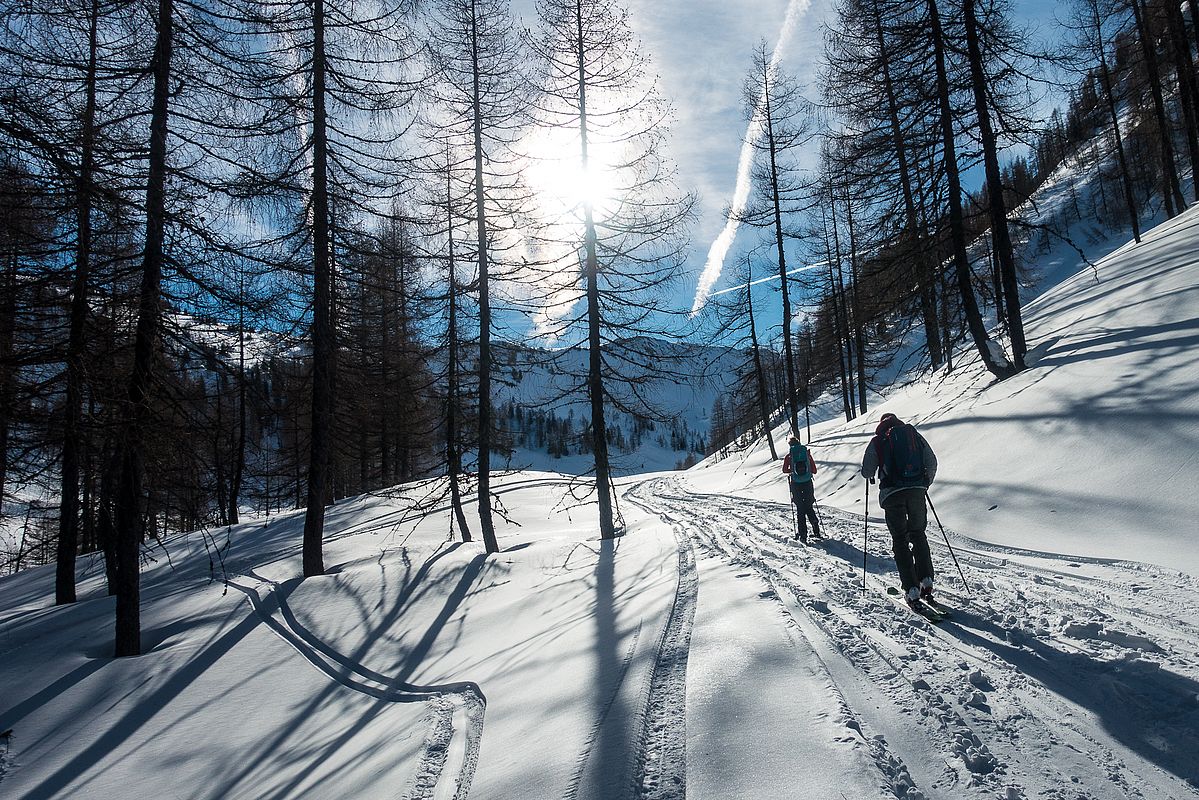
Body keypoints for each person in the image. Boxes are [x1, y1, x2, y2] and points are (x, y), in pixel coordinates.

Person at [861, 413, 939, 607]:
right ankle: (926, 580)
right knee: (918, 534)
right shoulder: (913, 434)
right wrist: (924, 483)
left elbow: (867, 470)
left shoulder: (878, 441)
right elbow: (931, 461)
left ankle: (911, 589)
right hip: (917, 491)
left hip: (892, 495)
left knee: (900, 540)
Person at [782, 435, 820, 543]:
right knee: (808, 505)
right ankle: (815, 525)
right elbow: (814, 470)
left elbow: (784, 470)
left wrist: (792, 470)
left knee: (800, 508)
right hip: (808, 483)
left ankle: (803, 534)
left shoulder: (789, 456)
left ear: (790, 445)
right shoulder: (807, 454)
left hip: (796, 484)